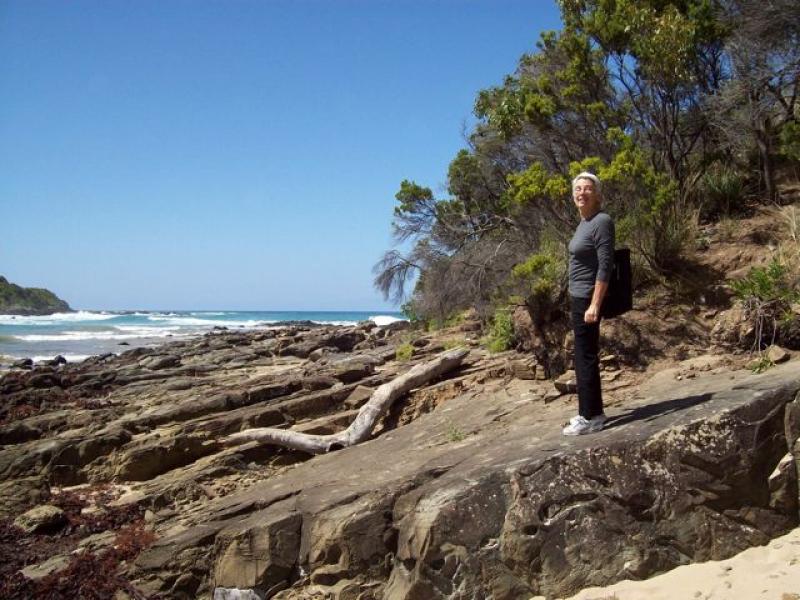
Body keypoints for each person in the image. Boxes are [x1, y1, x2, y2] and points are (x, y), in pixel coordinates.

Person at [562, 172, 614, 436]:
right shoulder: (584, 223)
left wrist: (595, 304)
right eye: (578, 189)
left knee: (585, 356)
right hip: (578, 296)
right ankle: (592, 411)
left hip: (588, 298)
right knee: (582, 355)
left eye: (587, 189)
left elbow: (605, 265)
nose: (581, 193)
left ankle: (591, 416)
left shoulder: (601, 221)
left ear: (597, 195)